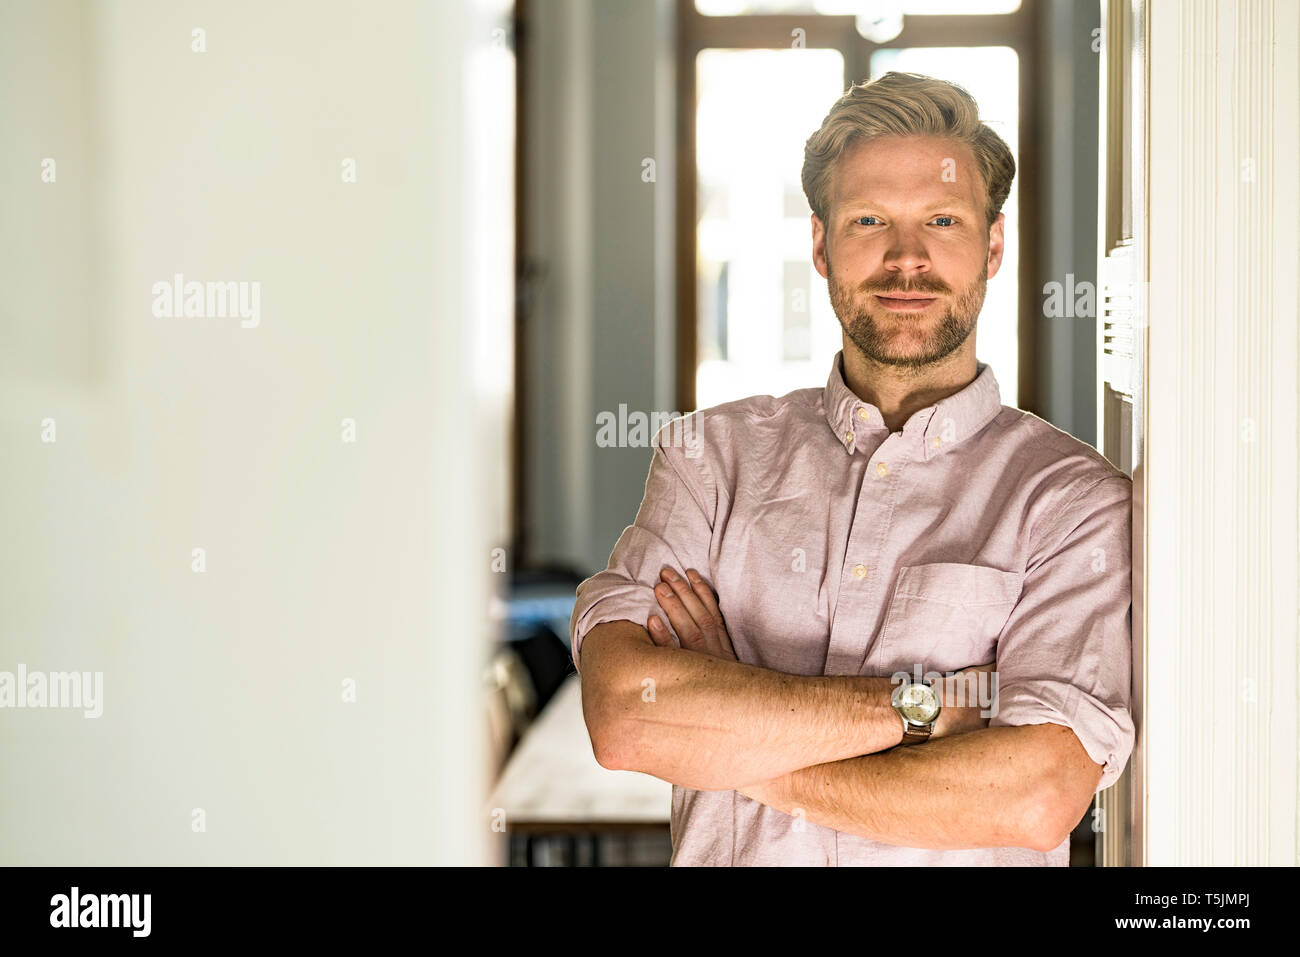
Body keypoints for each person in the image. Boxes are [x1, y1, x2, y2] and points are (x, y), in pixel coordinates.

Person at [569, 72, 1134, 866]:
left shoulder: (1071, 502)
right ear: (821, 243)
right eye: (870, 220)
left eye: (942, 219)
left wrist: (741, 739)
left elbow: (1034, 794)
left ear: (993, 245)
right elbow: (628, 716)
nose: (908, 259)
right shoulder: (710, 459)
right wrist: (933, 705)